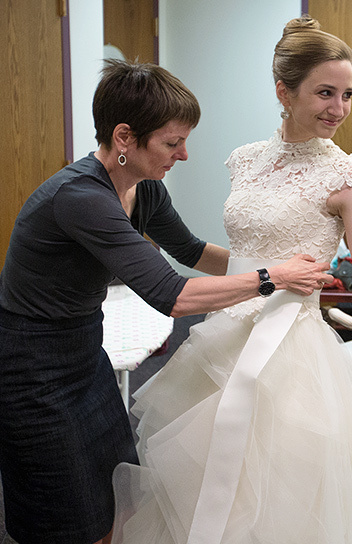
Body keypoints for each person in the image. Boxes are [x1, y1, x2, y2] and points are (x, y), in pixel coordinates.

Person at [110, 17, 352, 542]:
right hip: (222, 339)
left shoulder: (348, 178)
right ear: (284, 91)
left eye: (347, 95)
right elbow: (240, 259)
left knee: (286, 496)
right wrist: (264, 274)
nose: (339, 108)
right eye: (325, 93)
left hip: (292, 350)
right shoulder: (244, 161)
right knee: (208, 485)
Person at [0, 60, 331, 544]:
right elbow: (172, 296)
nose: (184, 155)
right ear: (125, 137)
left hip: (83, 350)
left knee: (114, 493)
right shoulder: (80, 197)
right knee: (64, 513)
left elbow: (191, 251)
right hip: (31, 365)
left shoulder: (144, 189)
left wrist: (280, 267)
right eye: (172, 143)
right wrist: (272, 277)